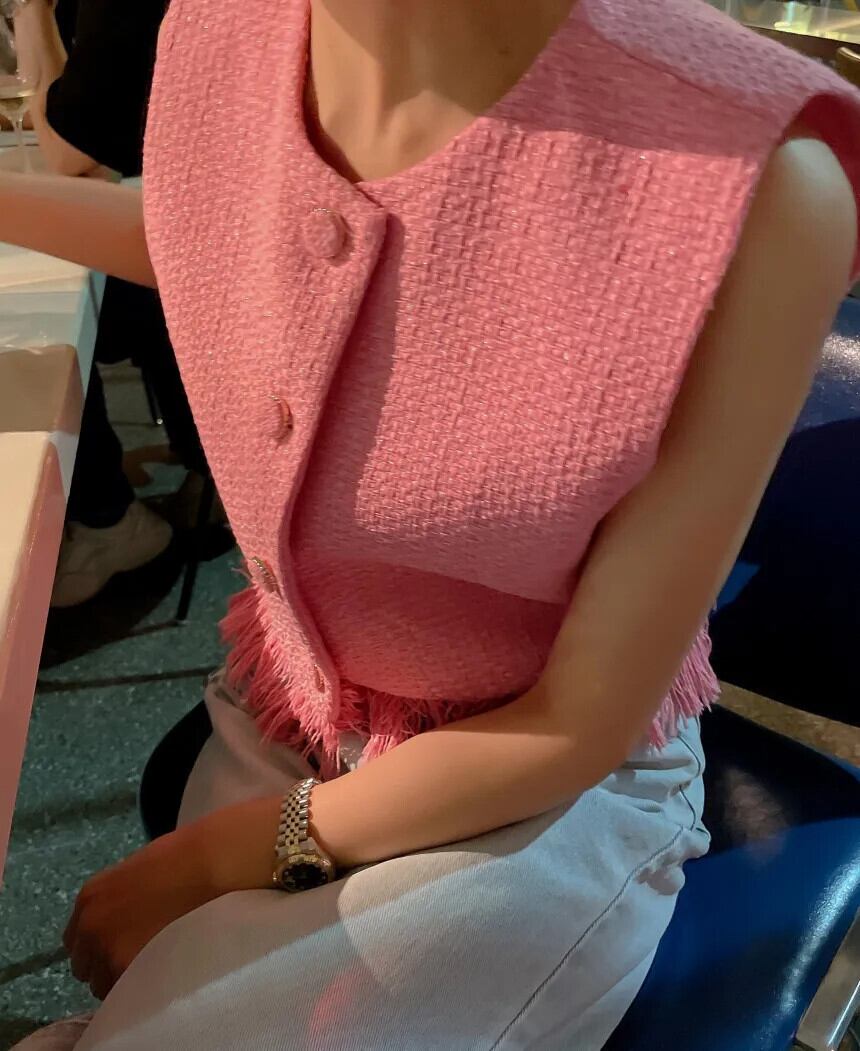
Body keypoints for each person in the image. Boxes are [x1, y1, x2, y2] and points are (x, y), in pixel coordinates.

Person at [2, 0, 859, 1046]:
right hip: (292, 703)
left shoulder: (748, 186)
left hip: (543, 796)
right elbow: (214, 227)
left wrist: (222, 855)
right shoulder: (218, 29)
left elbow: (575, 725)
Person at [12, 0, 207, 607]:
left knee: (34, 318)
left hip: (205, 246)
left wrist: (29, 12)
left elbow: (69, 152)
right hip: (193, 227)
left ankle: (108, 519)